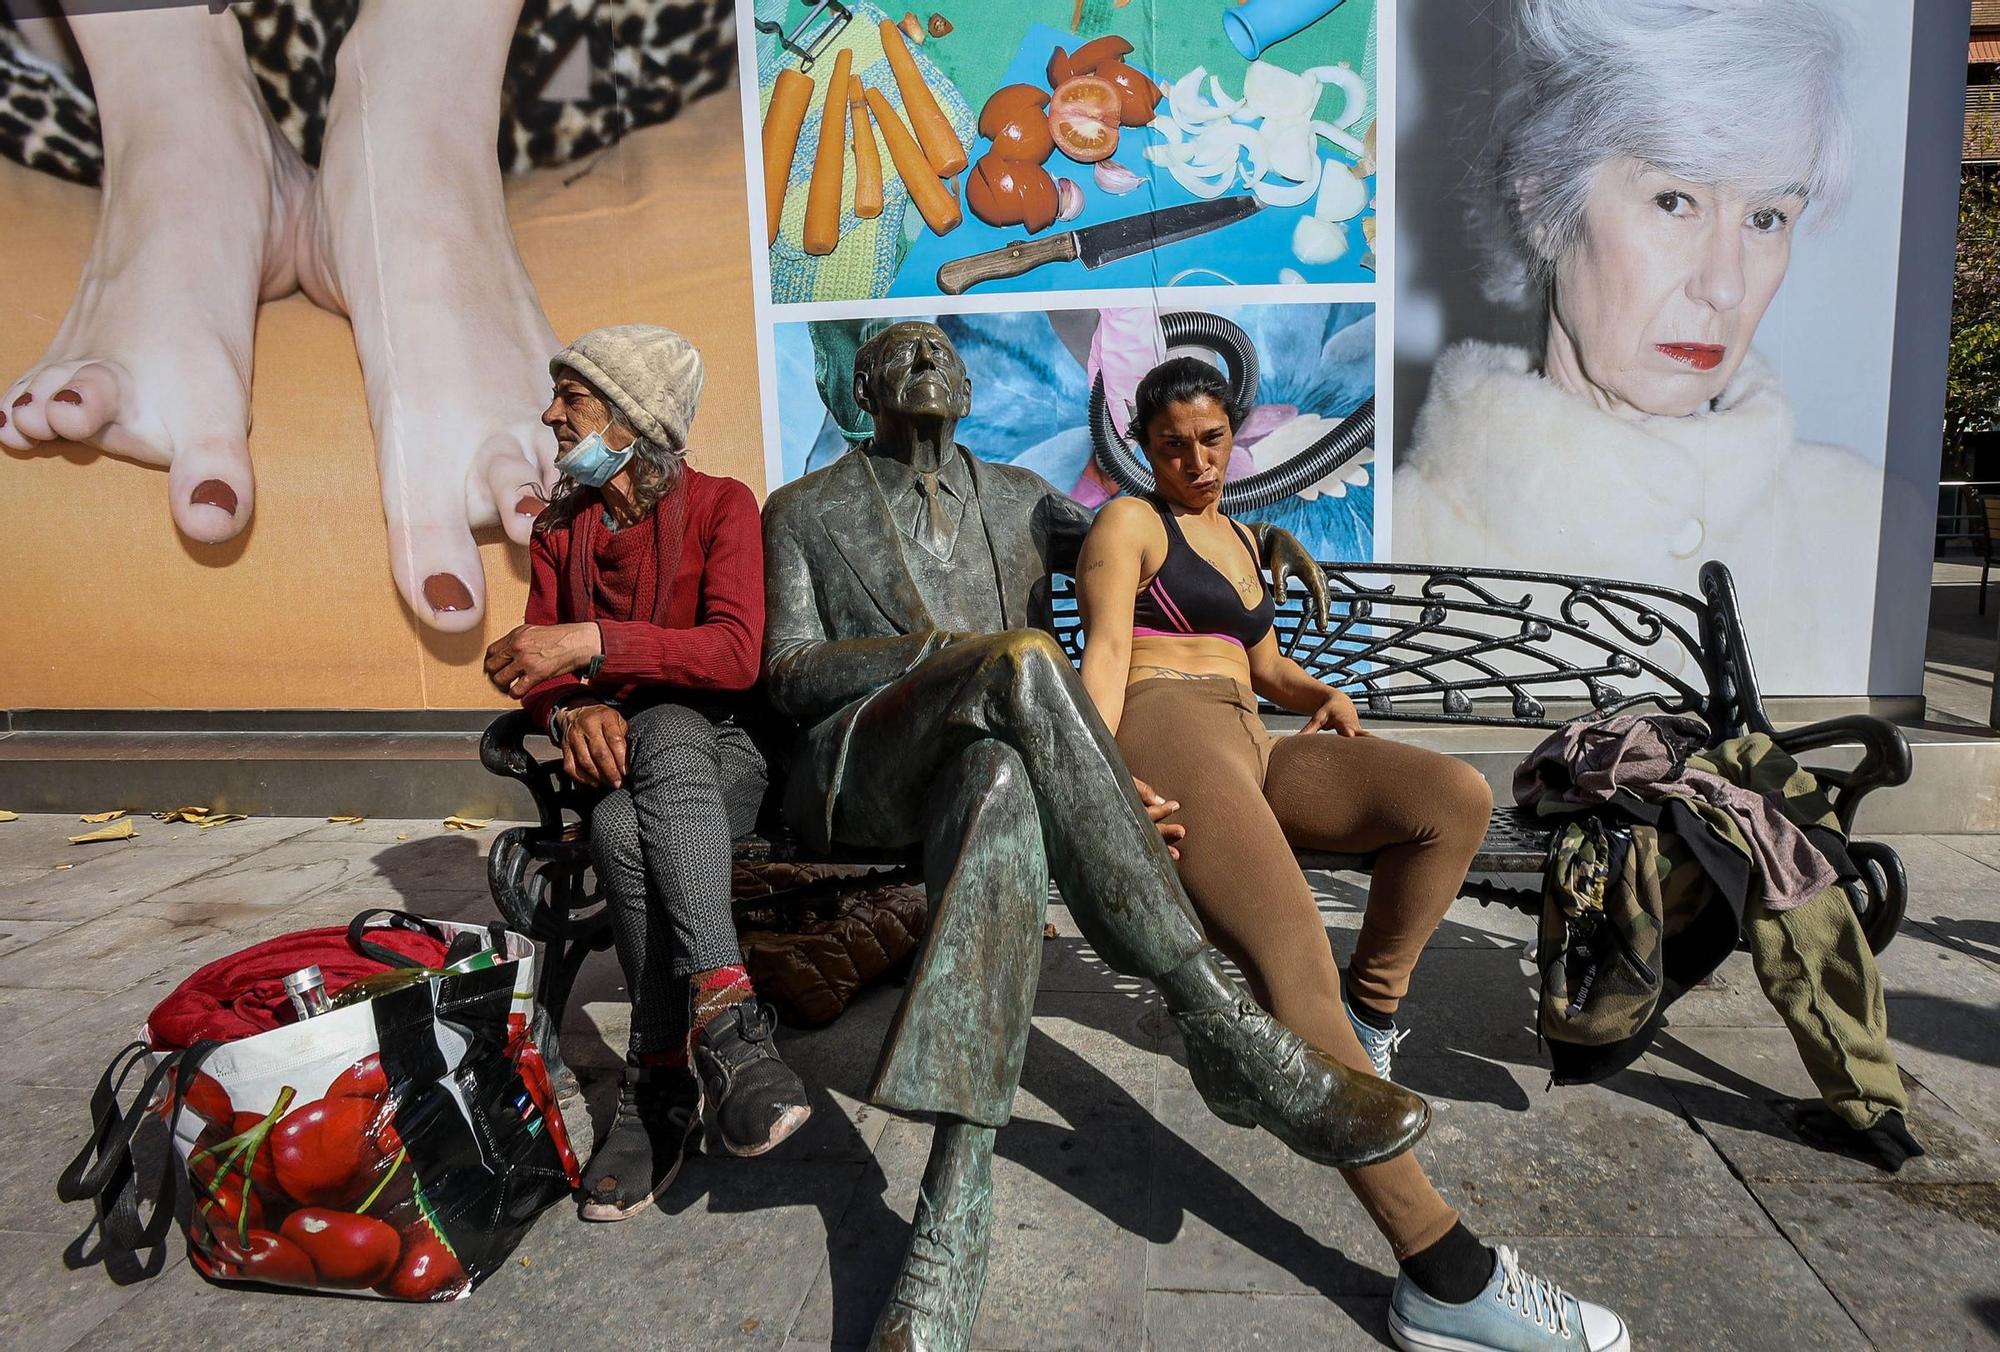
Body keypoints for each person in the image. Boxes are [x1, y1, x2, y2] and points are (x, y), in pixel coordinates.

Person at [761, 320, 1428, 1352]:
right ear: (862, 384)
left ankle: (951, 1202)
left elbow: (1163, 533)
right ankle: (1218, 1015)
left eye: (942, 350)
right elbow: (791, 669)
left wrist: (1256, 542)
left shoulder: (1026, 505)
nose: (927, 361)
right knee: (1022, 660)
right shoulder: (802, 511)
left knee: (1002, 794)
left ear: (972, 383)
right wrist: (949, 657)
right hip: (867, 762)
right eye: (901, 350)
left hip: (987, 767)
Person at [1078, 355, 1629, 1352]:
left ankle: (1365, 1028)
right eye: (1170, 444)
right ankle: (1441, 1275)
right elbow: (1107, 656)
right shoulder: (1128, 523)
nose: (1194, 459)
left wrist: (1310, 695)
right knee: (1291, 957)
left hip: (1249, 738)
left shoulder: (1239, 535)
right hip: (1166, 729)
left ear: (1231, 429)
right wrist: (1102, 783)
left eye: (1209, 439)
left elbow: (1259, 662)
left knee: (1447, 800)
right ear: (1143, 445)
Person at [0, 0, 732, 631]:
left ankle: (423, 101)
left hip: (543, 50)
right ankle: (171, 103)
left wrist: (435, 62)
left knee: (459, 57)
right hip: (80, 48)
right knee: (149, 51)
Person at [1393, 0, 1875, 695]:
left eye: (1767, 218)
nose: (1725, 285)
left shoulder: (1865, 528)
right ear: (1542, 206)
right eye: (1675, 201)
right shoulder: (1389, 554)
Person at [485, 324, 808, 1222]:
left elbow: (737, 655)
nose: (552, 414)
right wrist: (570, 708)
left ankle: (657, 1075)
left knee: (663, 723)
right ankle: (729, 1038)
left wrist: (593, 646)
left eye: (573, 398)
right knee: (623, 822)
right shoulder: (563, 531)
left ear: (634, 417)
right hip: (620, 769)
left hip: (728, 759)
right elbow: (530, 668)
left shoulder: (722, 506)